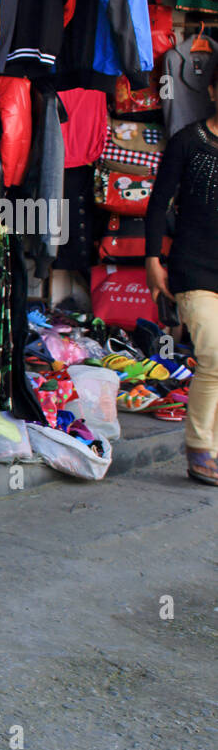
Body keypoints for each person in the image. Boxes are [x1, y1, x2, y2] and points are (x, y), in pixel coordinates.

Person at [144, 66, 218, 486]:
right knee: (213, 356)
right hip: (194, 269)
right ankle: (199, 448)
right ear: (211, 90)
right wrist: (153, 259)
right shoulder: (188, 141)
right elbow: (158, 205)